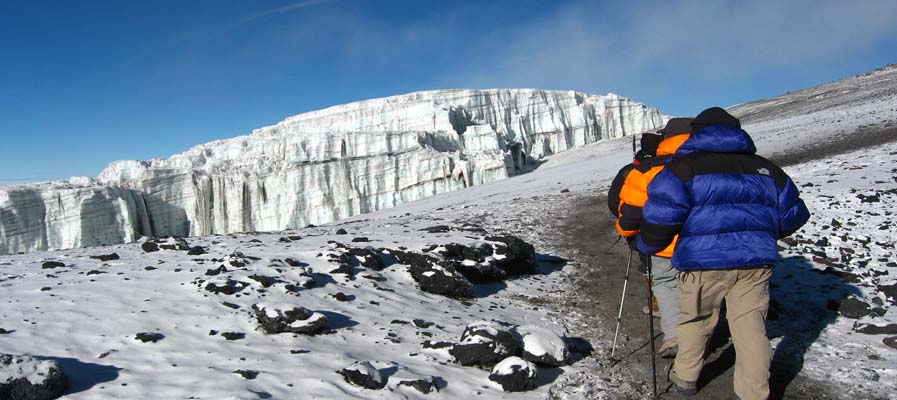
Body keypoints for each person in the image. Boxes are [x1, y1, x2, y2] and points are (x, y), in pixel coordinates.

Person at [637, 107, 810, 399]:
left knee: (696, 321)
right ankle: (755, 391)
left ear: (698, 133)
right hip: (755, 262)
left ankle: (685, 377)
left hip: (702, 262)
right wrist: (763, 234)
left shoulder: (684, 168)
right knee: (751, 327)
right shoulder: (766, 169)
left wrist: (649, 245)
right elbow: (794, 215)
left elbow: (662, 214)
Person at [610, 118, 693, 359]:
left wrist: (627, 230)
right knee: (697, 288)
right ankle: (697, 334)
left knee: (665, 282)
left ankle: (675, 336)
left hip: (659, 240)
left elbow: (622, 206)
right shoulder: (707, 163)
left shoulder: (643, 170)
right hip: (701, 242)